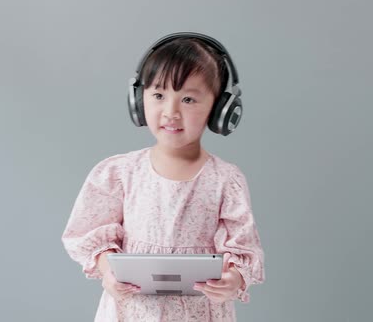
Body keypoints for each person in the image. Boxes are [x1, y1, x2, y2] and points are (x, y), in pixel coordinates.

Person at [62, 32, 265, 321]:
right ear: (138, 100)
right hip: (132, 311)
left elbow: (242, 248)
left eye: (188, 99)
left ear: (219, 108)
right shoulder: (119, 173)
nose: (171, 112)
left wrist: (233, 279)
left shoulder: (226, 181)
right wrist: (108, 271)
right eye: (158, 95)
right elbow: (90, 236)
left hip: (200, 312)